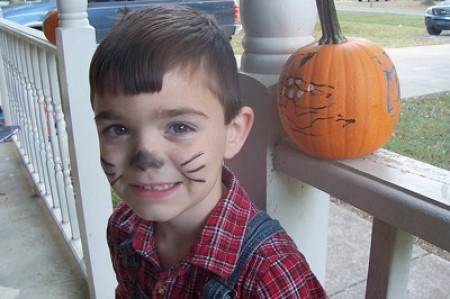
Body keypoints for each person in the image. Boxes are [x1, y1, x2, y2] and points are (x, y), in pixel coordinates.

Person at [89, 5, 327, 298]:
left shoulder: (271, 273)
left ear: (233, 132)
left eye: (179, 127)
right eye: (118, 129)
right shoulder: (123, 228)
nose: (145, 157)